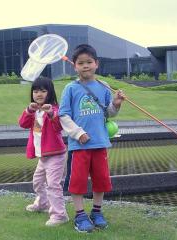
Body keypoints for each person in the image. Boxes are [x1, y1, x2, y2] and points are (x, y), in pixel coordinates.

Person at [59, 44, 125, 233]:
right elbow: (63, 115)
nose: (85, 66)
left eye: (89, 62)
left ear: (96, 64)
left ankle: (97, 212)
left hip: (100, 143)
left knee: (101, 179)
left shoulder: (104, 87)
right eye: (81, 63)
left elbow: (108, 113)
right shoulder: (70, 88)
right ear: (75, 66)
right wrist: (78, 133)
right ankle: (80, 215)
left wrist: (116, 104)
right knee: (77, 181)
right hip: (79, 146)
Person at [18, 76, 69, 226]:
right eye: (35, 91)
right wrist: (28, 110)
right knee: (38, 182)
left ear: (50, 93)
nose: (38, 94)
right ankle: (42, 203)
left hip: (56, 155)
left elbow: (59, 127)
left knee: (53, 184)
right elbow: (22, 123)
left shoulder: (54, 109)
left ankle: (59, 215)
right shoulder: (34, 111)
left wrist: (51, 113)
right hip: (43, 156)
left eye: (43, 91)